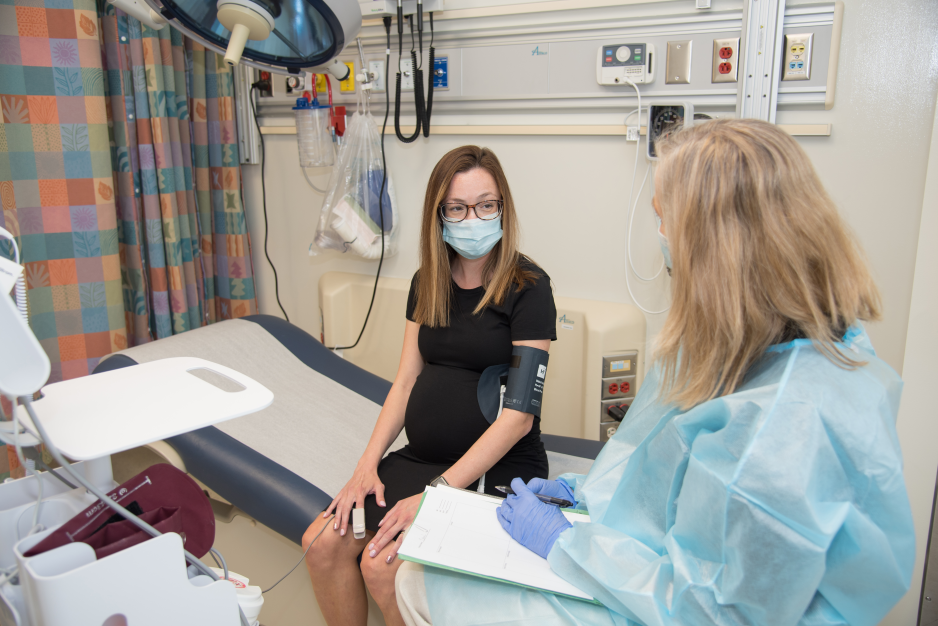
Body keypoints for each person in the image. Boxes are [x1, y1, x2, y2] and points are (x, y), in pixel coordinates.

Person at [395, 119, 915, 626]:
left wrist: (567, 541)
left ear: (716, 243)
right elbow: (658, 461)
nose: (661, 236)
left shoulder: (786, 430)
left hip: (673, 603)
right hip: (653, 561)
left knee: (421, 581)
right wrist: (586, 494)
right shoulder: (739, 343)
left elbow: (715, 612)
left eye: (665, 219)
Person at [303, 145, 558, 626]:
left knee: (384, 568)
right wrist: (367, 465)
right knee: (320, 544)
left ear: (503, 206)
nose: (473, 218)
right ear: (438, 215)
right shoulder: (429, 281)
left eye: (486, 205)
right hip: (422, 461)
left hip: (495, 466)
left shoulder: (528, 286)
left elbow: (518, 417)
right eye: (458, 208)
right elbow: (405, 381)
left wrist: (438, 494)